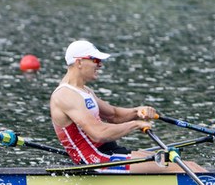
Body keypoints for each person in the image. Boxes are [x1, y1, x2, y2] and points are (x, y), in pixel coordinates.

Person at [50, 40, 205, 173]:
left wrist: (138, 111)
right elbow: (98, 133)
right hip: (95, 160)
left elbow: (114, 115)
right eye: (96, 60)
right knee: (181, 167)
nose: (100, 65)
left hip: (108, 152)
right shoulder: (65, 95)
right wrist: (135, 124)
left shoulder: (84, 91)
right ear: (79, 62)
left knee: (176, 161)